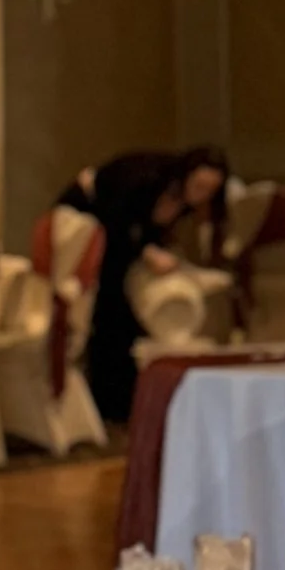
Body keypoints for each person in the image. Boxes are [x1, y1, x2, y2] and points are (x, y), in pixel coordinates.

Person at [76, 147, 229, 423]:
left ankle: (125, 402)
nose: (203, 194)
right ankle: (108, 404)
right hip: (95, 229)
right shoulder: (146, 179)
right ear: (186, 175)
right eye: (200, 186)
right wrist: (146, 251)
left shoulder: (181, 199)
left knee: (130, 320)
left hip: (125, 241)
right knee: (111, 314)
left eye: (211, 190)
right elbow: (115, 218)